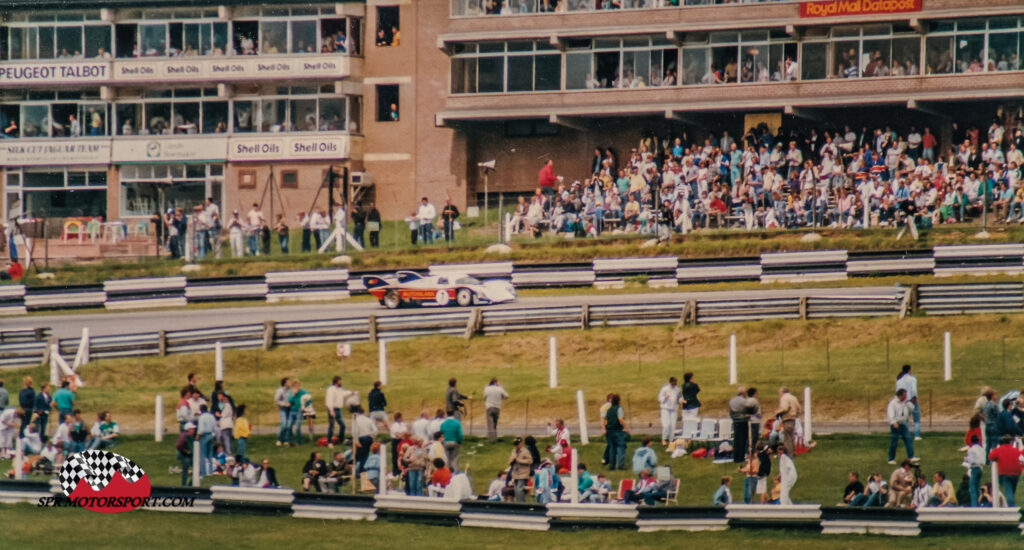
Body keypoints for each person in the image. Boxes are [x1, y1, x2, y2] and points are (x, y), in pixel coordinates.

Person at [989, 435, 1024, 507]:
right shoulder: (1016, 450)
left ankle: (1011, 507)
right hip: (1016, 473)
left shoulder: (998, 450)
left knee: (1008, 491)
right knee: (1012, 491)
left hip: (1005, 473)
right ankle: (1011, 504)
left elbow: (991, 457)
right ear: (1010, 442)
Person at [887, 389, 917, 464]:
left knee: (908, 440)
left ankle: (911, 457)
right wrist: (893, 422)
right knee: (894, 442)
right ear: (900, 395)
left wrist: (908, 402)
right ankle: (891, 459)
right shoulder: (893, 403)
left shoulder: (905, 402)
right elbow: (890, 413)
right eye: (905, 395)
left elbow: (912, 408)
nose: (906, 396)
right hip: (896, 424)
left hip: (903, 424)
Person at [895, 365, 921, 441]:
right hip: (911, 400)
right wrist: (914, 398)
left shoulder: (899, 380)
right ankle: (916, 435)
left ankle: (905, 434)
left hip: (903, 401)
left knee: (905, 418)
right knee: (916, 418)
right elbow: (914, 390)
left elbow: (898, 392)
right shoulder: (912, 379)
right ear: (909, 370)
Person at [604, 393, 629, 470]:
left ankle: (612, 465)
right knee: (621, 447)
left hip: (609, 431)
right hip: (617, 431)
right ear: (618, 401)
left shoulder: (608, 410)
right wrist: (626, 427)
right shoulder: (619, 408)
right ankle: (621, 465)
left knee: (612, 449)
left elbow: (606, 419)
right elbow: (620, 419)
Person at [775, 387, 801, 457]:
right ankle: (792, 452)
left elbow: (784, 408)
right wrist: (796, 415)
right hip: (793, 419)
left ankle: (788, 454)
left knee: (787, 438)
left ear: (782, 392)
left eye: (779, 393)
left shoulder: (784, 398)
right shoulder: (794, 398)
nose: (779, 394)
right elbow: (799, 408)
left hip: (787, 418)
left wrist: (777, 412)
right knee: (791, 436)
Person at [352, 406, 376, 475]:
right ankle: (364, 470)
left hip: (361, 439)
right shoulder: (368, 420)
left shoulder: (356, 420)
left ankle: (359, 471)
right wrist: (372, 437)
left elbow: (355, 431)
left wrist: (356, 440)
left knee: (359, 456)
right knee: (366, 455)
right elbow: (375, 430)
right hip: (368, 438)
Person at [483, 378, 509, 443]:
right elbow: (506, 396)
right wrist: (502, 389)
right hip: (497, 407)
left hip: (489, 407)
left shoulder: (487, 388)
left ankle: (492, 440)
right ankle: (494, 438)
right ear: (496, 382)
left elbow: (484, 397)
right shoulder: (499, 388)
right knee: (495, 424)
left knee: (490, 424)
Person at [730, 386, 751, 463]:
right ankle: (741, 457)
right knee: (743, 440)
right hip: (743, 421)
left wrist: (734, 418)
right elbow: (748, 412)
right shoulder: (744, 401)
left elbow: (730, 412)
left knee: (736, 440)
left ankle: (735, 457)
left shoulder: (732, 401)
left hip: (735, 421)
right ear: (743, 393)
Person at [657, 377, 681, 446]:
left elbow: (680, 397)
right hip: (665, 408)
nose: (674, 385)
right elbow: (659, 398)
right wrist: (665, 398)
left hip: (674, 409)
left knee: (673, 425)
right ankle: (664, 439)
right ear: (670, 382)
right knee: (666, 425)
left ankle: (671, 440)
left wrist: (681, 401)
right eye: (673, 383)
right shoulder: (665, 389)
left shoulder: (677, 389)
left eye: (675, 383)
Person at [325, 376, 348, 448]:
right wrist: (331, 410)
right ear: (336, 382)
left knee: (343, 425)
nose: (341, 382)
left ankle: (341, 440)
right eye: (340, 381)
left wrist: (353, 392)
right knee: (332, 426)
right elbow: (329, 400)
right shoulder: (331, 390)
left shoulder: (339, 389)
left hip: (338, 410)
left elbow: (344, 393)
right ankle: (329, 442)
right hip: (332, 409)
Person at [508, 437, 532, 502]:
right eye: (515, 444)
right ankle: (518, 502)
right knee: (516, 489)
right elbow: (510, 460)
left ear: (521, 444)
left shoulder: (525, 451)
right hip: (515, 473)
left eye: (517, 444)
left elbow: (530, 461)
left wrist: (519, 460)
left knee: (519, 489)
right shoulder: (513, 451)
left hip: (523, 473)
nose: (516, 446)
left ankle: (521, 503)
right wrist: (511, 461)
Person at [196, 405, 216, 475]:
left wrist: (197, 438)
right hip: (211, 434)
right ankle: (210, 471)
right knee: (210, 454)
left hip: (204, 436)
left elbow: (201, 429)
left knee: (202, 454)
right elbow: (214, 427)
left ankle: (203, 471)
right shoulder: (211, 416)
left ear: (201, 410)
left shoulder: (202, 417)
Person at [287, 379, 308, 445]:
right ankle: (290, 441)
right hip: (292, 411)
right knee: (289, 426)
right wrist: (293, 394)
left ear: (299, 385)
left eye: (297, 385)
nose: (296, 386)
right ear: (293, 386)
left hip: (299, 410)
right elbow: (289, 401)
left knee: (297, 427)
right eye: (294, 385)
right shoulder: (291, 392)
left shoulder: (303, 392)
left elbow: (308, 399)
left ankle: (299, 441)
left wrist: (304, 406)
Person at [966, 435, 985, 507]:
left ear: (971, 441)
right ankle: (979, 503)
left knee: (972, 488)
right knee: (977, 487)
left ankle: (974, 505)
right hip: (980, 468)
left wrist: (967, 460)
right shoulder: (981, 449)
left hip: (974, 468)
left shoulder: (971, 449)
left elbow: (971, 460)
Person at [274, 377, 292, 447]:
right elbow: (277, 400)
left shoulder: (289, 390)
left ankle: (286, 440)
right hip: (282, 410)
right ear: (285, 383)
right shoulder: (280, 390)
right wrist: (285, 404)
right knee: (284, 425)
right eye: (288, 382)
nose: (290, 383)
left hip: (289, 409)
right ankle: (279, 440)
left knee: (288, 425)